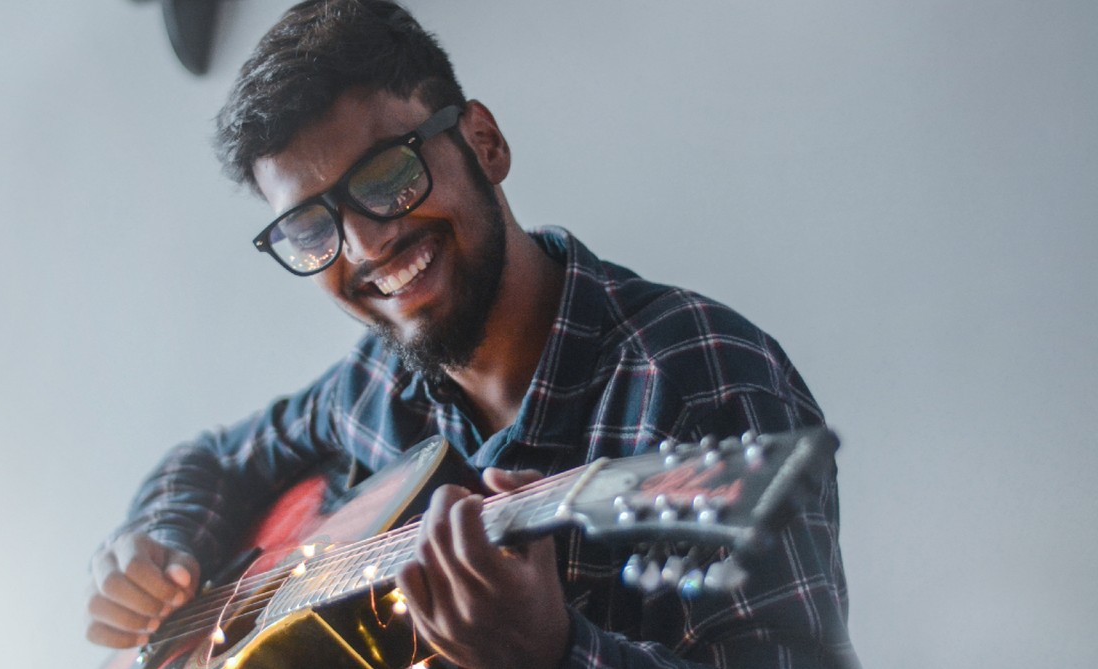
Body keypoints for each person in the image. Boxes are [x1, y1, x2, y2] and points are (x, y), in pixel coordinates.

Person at [86, 1, 858, 667]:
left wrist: (552, 654)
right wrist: (161, 544)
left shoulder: (703, 385)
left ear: (484, 143)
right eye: (311, 226)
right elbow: (213, 458)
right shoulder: (379, 381)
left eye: (388, 175)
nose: (364, 246)